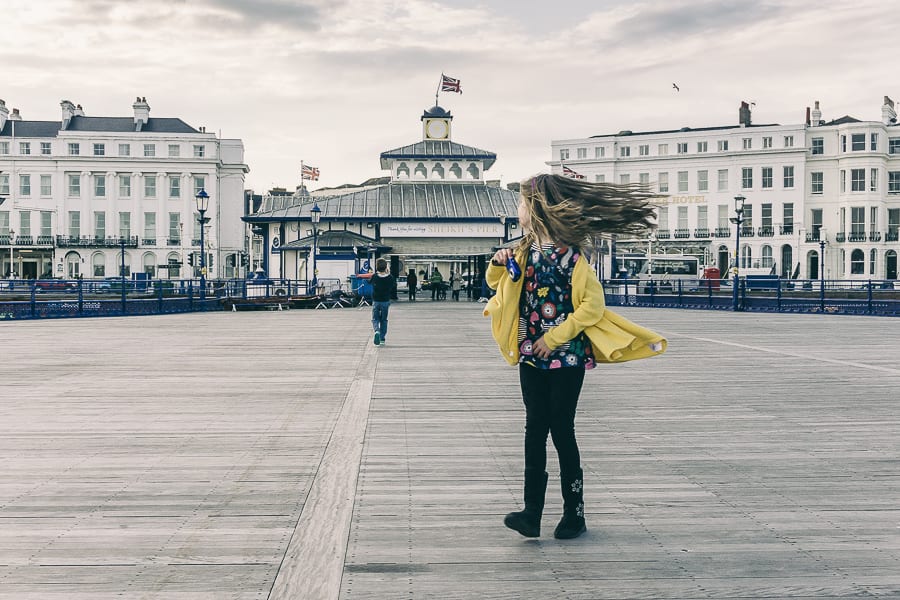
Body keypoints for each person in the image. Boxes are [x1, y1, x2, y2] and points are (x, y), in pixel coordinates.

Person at [484, 173, 667, 540]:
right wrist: (498, 262)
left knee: (561, 431)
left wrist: (554, 338)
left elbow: (592, 307)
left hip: (566, 358)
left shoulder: (573, 258)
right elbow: (495, 285)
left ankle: (574, 514)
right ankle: (531, 513)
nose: (517, 209)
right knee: (534, 430)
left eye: (521, 203)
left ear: (535, 208)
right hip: (530, 356)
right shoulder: (522, 250)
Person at [370, 258, 395, 346]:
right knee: (384, 320)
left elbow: (370, 283)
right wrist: (388, 272)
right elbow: (392, 286)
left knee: (375, 319)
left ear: (377, 267)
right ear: (386, 267)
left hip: (376, 301)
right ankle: (382, 338)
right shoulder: (390, 278)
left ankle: (377, 331)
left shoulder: (374, 277)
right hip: (385, 301)